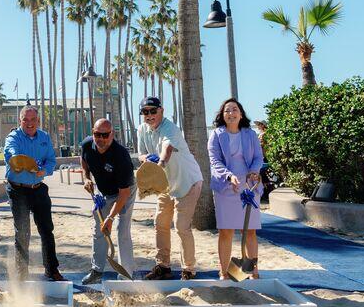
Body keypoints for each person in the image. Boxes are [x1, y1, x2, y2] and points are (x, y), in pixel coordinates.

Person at [136, 96, 204, 280]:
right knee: (160, 223)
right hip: (166, 184)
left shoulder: (170, 128)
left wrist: (160, 164)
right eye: (145, 112)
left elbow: (167, 148)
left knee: (181, 226)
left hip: (188, 182)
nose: (149, 115)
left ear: (161, 111)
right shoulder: (142, 129)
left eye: (153, 111)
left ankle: (189, 269)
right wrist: (146, 159)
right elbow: (141, 154)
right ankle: (163, 267)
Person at [2, 106, 63, 281]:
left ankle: (52, 270)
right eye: (25, 120)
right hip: (17, 189)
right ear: (20, 121)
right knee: (22, 232)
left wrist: (45, 170)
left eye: (33, 120)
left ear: (38, 121)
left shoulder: (44, 137)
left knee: (47, 230)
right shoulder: (13, 137)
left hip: (38, 188)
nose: (29, 123)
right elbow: (11, 152)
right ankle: (21, 274)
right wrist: (18, 159)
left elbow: (51, 160)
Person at [208, 98, 264, 279]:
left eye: (234, 110)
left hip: (249, 187)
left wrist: (254, 171)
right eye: (227, 110)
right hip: (226, 187)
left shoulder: (250, 134)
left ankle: (252, 272)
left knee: (250, 231)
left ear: (241, 114)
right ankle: (225, 273)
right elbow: (215, 161)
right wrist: (229, 176)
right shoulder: (216, 135)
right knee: (226, 231)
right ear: (222, 115)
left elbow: (258, 157)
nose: (230, 113)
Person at [80, 118, 136, 284]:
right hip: (103, 192)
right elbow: (83, 161)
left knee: (122, 231)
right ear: (93, 133)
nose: (101, 139)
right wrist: (86, 178)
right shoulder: (87, 145)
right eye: (98, 134)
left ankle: (126, 274)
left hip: (124, 191)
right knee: (99, 230)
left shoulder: (121, 156)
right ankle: (96, 271)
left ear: (112, 134)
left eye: (105, 135)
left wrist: (110, 218)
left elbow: (124, 193)